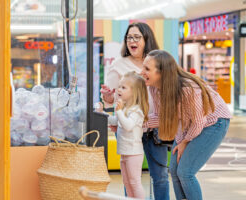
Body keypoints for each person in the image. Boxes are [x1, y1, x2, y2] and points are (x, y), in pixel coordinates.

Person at [141, 50, 231, 200]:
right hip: (188, 125)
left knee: (186, 172)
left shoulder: (187, 89)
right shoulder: (154, 88)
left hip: (214, 122)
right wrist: (137, 123)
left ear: (162, 72)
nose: (141, 72)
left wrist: (184, 142)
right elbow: (161, 117)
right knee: (174, 170)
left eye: (147, 69)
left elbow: (199, 122)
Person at [101, 22, 170, 200]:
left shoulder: (157, 63)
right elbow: (110, 100)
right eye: (129, 37)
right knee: (130, 179)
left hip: (155, 127)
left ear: (147, 39)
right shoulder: (118, 65)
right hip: (128, 129)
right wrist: (108, 98)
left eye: (137, 37)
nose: (132, 41)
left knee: (160, 176)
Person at [98, 72, 149, 199]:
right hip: (125, 152)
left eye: (123, 87)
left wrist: (119, 111)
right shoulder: (125, 108)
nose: (119, 89)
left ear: (134, 92)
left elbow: (128, 125)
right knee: (127, 183)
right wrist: (102, 113)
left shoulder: (137, 111)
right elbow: (116, 121)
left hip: (133, 153)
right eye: (119, 86)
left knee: (134, 183)